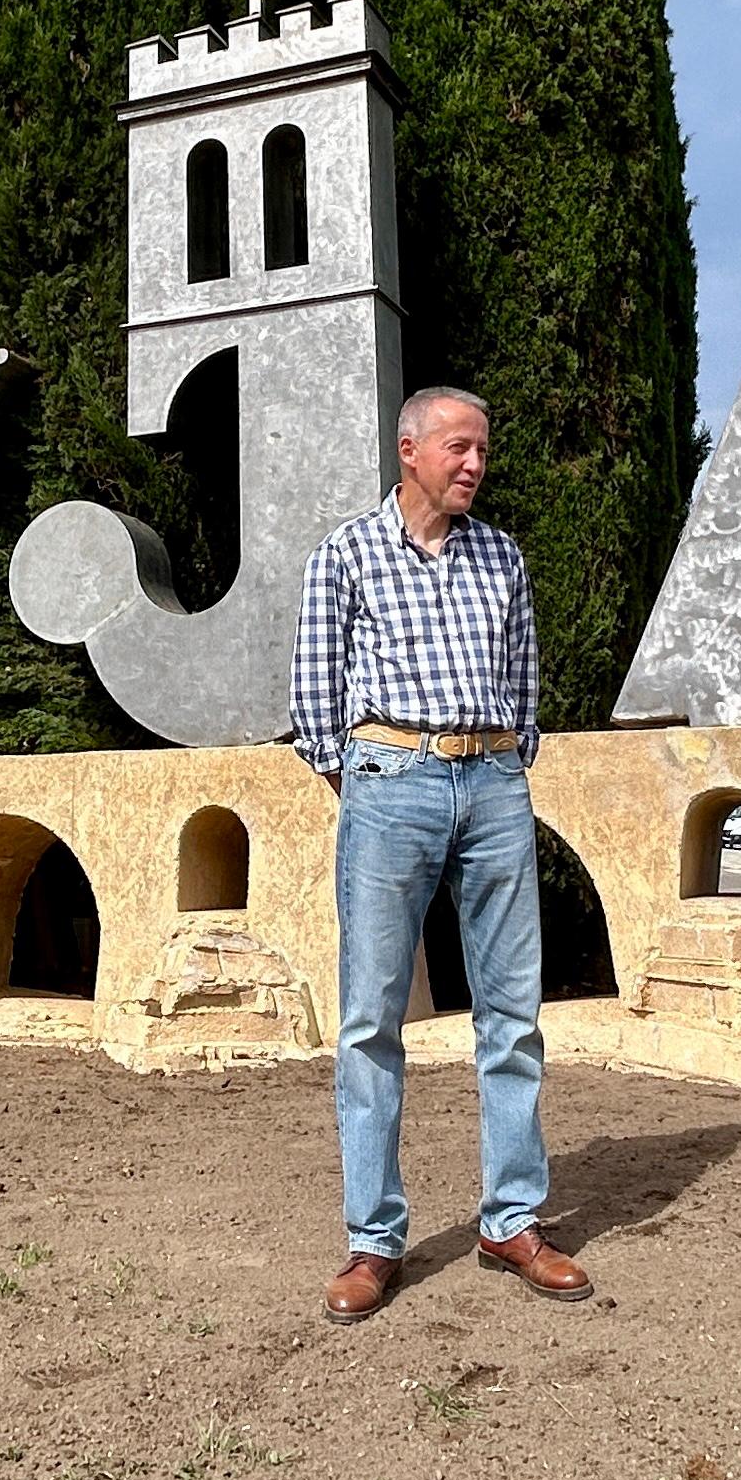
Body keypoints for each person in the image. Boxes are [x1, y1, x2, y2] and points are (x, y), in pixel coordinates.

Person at [289, 385, 592, 1324]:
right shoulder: (345, 554)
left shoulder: (502, 557)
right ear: (410, 448)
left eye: (483, 451)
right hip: (390, 780)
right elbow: (312, 699)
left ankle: (511, 1221)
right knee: (372, 1019)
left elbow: (526, 679)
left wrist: (506, 761)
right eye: (459, 448)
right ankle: (374, 1241)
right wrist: (377, 780)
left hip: (495, 782)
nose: (474, 465)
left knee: (512, 1012)